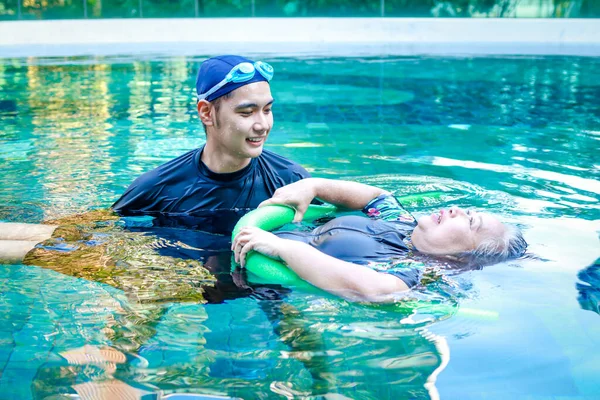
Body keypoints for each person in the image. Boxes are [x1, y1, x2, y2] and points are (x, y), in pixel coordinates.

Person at [232, 178, 528, 303]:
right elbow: (376, 195)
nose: (454, 210)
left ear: (465, 255)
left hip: (258, 285)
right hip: (250, 241)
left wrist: (284, 249)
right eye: (466, 210)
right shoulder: (400, 222)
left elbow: (375, 290)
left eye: (469, 220)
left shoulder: (418, 270)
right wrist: (313, 185)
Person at [112, 54, 311, 234]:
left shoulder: (291, 180)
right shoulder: (159, 187)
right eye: (247, 113)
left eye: (267, 110)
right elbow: (100, 233)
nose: (263, 125)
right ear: (206, 113)